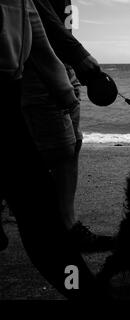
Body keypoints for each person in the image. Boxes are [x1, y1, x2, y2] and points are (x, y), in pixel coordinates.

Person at [0, 0, 103, 297]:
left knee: (64, 153)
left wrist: (64, 71)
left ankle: (68, 233)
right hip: (15, 79)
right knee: (36, 199)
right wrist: (74, 56)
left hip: (24, 75)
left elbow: (31, 15)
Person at [20, 0, 112, 252]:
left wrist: (72, 61)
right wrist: (77, 54)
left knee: (73, 144)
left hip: (64, 63)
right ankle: (58, 231)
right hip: (37, 64)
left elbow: (60, 21)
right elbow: (34, 13)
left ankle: (67, 225)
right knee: (57, 150)